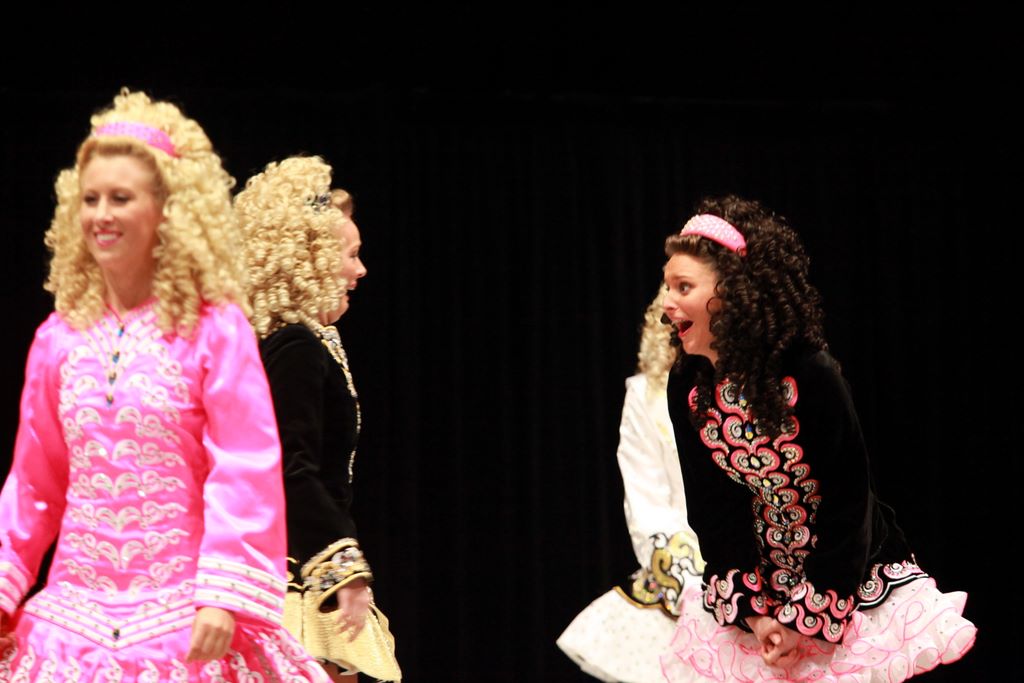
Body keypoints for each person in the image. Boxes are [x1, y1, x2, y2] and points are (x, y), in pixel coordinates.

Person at [0, 91, 329, 681]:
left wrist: (221, 595)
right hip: (72, 626)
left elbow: (244, 464)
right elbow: (34, 482)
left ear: (168, 211)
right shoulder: (58, 339)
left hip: (185, 621)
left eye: (120, 198)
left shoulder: (215, 330)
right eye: (91, 199)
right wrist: (4, 585)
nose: (101, 215)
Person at [657, 196, 976, 681]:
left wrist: (807, 617)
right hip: (764, 588)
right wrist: (756, 614)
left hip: (848, 583)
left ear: (735, 291)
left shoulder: (809, 373)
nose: (667, 303)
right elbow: (713, 511)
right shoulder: (689, 385)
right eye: (667, 287)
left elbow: (848, 505)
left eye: (684, 286)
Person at [235, 157, 400, 682]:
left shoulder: (303, 340)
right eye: (351, 255)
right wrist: (343, 569)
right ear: (311, 260)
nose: (361, 270)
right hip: (291, 569)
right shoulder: (296, 346)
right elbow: (291, 469)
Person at [557, 290, 704, 683]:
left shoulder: (757, 387)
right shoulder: (647, 395)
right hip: (687, 585)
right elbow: (647, 503)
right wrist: (694, 589)